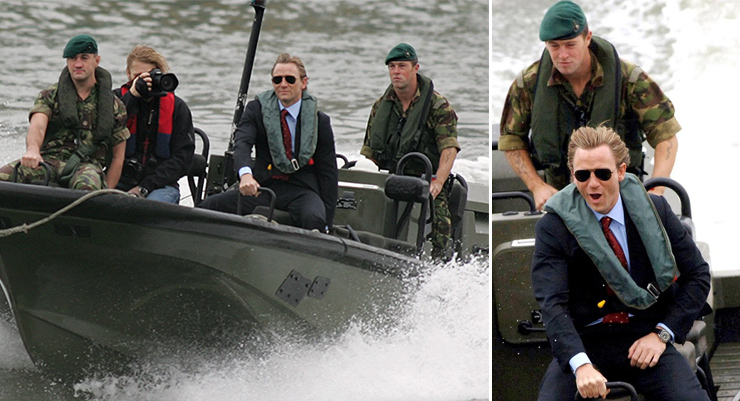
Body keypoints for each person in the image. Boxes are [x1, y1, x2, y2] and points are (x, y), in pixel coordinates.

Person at [531, 125, 710, 400]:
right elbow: (552, 304)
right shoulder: (554, 227)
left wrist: (662, 335)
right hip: (585, 343)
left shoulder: (656, 210)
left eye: (603, 173)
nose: (593, 184)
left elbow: (697, 275)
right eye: (582, 175)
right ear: (572, 176)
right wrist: (581, 365)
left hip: (647, 334)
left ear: (622, 171)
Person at [498, 0, 681, 210]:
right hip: (559, 200)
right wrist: (536, 185)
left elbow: (666, 137)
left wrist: (655, 191)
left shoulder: (629, 80)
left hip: (620, 197)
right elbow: (511, 140)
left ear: (588, 38)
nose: (562, 55)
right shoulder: (528, 84)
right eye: (554, 46)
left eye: (570, 45)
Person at [197, 53, 337, 232]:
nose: (283, 84)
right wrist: (245, 174)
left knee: (314, 219)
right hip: (264, 186)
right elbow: (242, 142)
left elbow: (328, 172)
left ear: (303, 82)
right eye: (277, 79)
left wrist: (328, 223)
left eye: (290, 79)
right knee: (209, 206)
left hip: (302, 189)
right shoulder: (256, 110)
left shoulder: (319, 121)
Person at [360, 43, 460, 260]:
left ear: (415, 68)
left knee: (441, 222)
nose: (396, 72)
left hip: (425, 178)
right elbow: (369, 151)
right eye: (392, 67)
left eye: (402, 66)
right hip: (391, 176)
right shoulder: (381, 107)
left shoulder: (438, 106)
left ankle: (439, 262)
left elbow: (449, 149)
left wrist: (438, 182)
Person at [0, 34, 129, 189]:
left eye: (84, 58)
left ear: (97, 61)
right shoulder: (50, 95)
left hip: (87, 166)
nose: (78, 64)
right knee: (5, 176)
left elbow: (117, 157)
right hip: (49, 160)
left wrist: (107, 194)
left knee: (86, 185)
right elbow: (38, 125)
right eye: (73, 58)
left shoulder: (114, 106)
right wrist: (33, 150)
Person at [114, 45, 195, 203]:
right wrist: (132, 97)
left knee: (150, 205)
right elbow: (105, 132)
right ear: (128, 73)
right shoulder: (116, 100)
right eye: (138, 76)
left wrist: (145, 187)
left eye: (149, 76)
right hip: (118, 178)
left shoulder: (177, 108)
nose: (145, 82)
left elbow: (183, 158)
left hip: (161, 185)